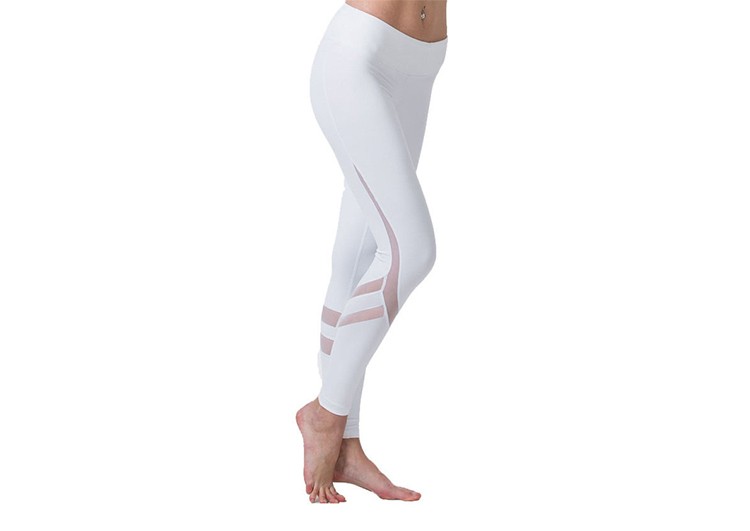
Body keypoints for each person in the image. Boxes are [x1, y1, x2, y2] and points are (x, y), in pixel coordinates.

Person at [296, 0, 449, 504]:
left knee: (358, 257)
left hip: (422, 63)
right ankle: (326, 413)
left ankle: (347, 444)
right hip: (359, 56)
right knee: (411, 249)